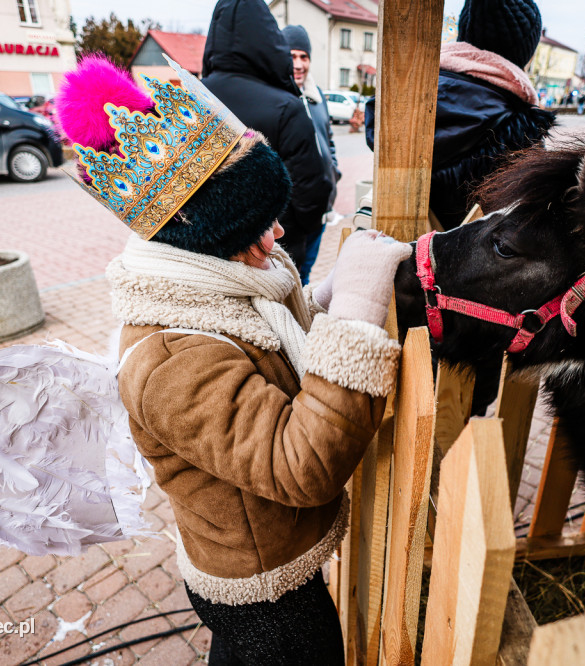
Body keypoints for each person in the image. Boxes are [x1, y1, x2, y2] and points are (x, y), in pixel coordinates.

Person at [57, 54, 412, 665]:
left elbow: (270, 358)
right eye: (256, 229)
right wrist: (354, 307)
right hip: (263, 594)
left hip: (274, 561)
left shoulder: (219, 287)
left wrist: (320, 305)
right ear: (206, 239)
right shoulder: (171, 359)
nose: (276, 237)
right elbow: (301, 465)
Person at [363, 0, 554, 230]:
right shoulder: (522, 134)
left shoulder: (404, 98)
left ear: (466, 31)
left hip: (398, 256)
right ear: (523, 53)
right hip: (465, 264)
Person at [201, 0, 333, 271]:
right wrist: (303, 229)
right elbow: (309, 188)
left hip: (205, 249)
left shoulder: (194, 97)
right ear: (269, 40)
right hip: (272, 247)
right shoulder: (287, 107)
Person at [282, 24, 340, 284]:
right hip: (292, 214)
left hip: (320, 210)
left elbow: (329, 141)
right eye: (292, 56)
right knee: (289, 276)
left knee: (306, 273)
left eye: (303, 57)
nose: (298, 64)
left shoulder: (318, 99)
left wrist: (334, 172)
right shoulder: (282, 100)